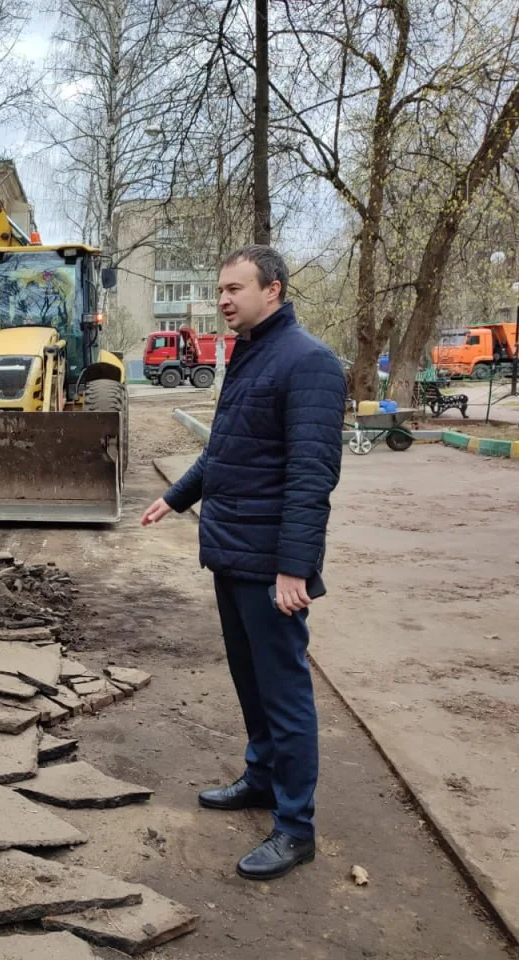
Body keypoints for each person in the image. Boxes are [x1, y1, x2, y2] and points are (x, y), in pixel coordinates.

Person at [140, 246, 346, 881]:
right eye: (220, 288)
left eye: (235, 288)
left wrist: (293, 568)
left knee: (285, 694)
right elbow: (225, 452)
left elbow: (312, 478)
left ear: (274, 291)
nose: (224, 299)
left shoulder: (309, 364)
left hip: (269, 563)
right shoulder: (250, 353)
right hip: (232, 551)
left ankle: (295, 828)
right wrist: (175, 497)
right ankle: (260, 780)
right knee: (251, 684)